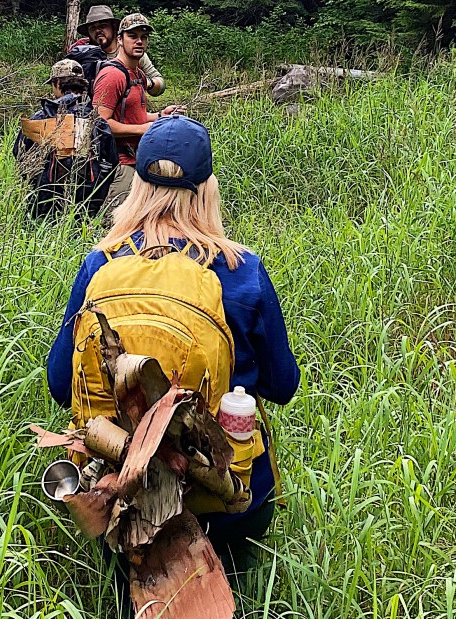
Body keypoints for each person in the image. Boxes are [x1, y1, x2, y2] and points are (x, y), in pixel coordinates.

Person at [46, 116, 300, 574]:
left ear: (138, 188)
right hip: (225, 506)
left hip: (119, 499)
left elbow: (62, 385)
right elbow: (283, 385)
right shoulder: (243, 270)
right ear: (208, 189)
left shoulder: (100, 264)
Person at [91, 13, 181, 217]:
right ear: (120, 39)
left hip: (139, 160)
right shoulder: (112, 75)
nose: (139, 41)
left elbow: (134, 115)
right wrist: (143, 129)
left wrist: (160, 116)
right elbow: (99, 124)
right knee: (113, 224)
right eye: (133, 36)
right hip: (119, 164)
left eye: (144, 36)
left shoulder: (139, 74)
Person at [13, 58, 117, 217]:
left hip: (43, 204)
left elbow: (19, 153)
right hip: (86, 204)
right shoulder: (97, 121)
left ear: (56, 84)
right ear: (82, 86)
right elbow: (111, 162)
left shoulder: (41, 118)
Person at [68, 3, 166, 97]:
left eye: (103, 26)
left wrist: (147, 83)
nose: (98, 31)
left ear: (113, 27)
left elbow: (160, 83)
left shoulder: (129, 51)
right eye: (93, 28)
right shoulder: (81, 55)